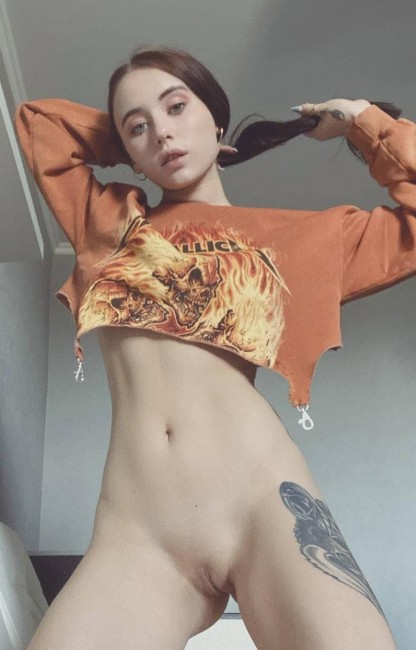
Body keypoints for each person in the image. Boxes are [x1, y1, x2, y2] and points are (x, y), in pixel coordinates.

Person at [14, 44, 414, 649]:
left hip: (260, 501)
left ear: (216, 119)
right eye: (138, 126)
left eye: (177, 107)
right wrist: (128, 138)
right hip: (139, 534)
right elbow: (39, 124)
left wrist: (362, 120)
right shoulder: (109, 222)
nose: (162, 131)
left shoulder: (300, 239)